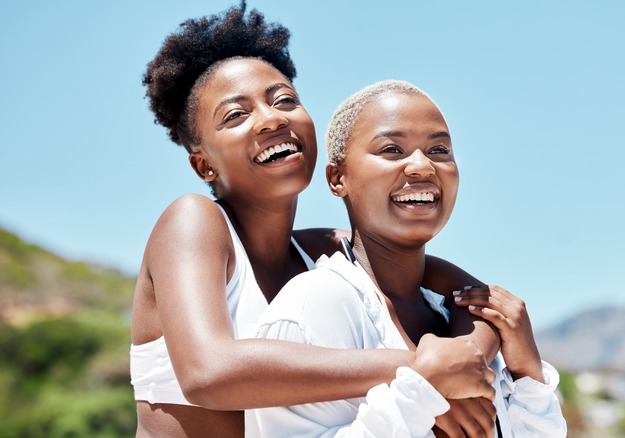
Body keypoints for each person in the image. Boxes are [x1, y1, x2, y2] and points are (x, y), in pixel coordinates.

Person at [130, 3, 501, 437]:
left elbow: (474, 297)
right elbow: (207, 374)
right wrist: (420, 369)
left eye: (284, 100)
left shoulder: (323, 250)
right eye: (236, 115)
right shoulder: (193, 222)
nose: (271, 118)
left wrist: (467, 357)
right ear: (204, 165)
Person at [248, 80, 567, 437]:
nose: (421, 166)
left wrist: (528, 376)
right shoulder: (317, 303)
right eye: (392, 150)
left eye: (439, 149)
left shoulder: (466, 319)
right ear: (338, 179)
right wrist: (422, 391)